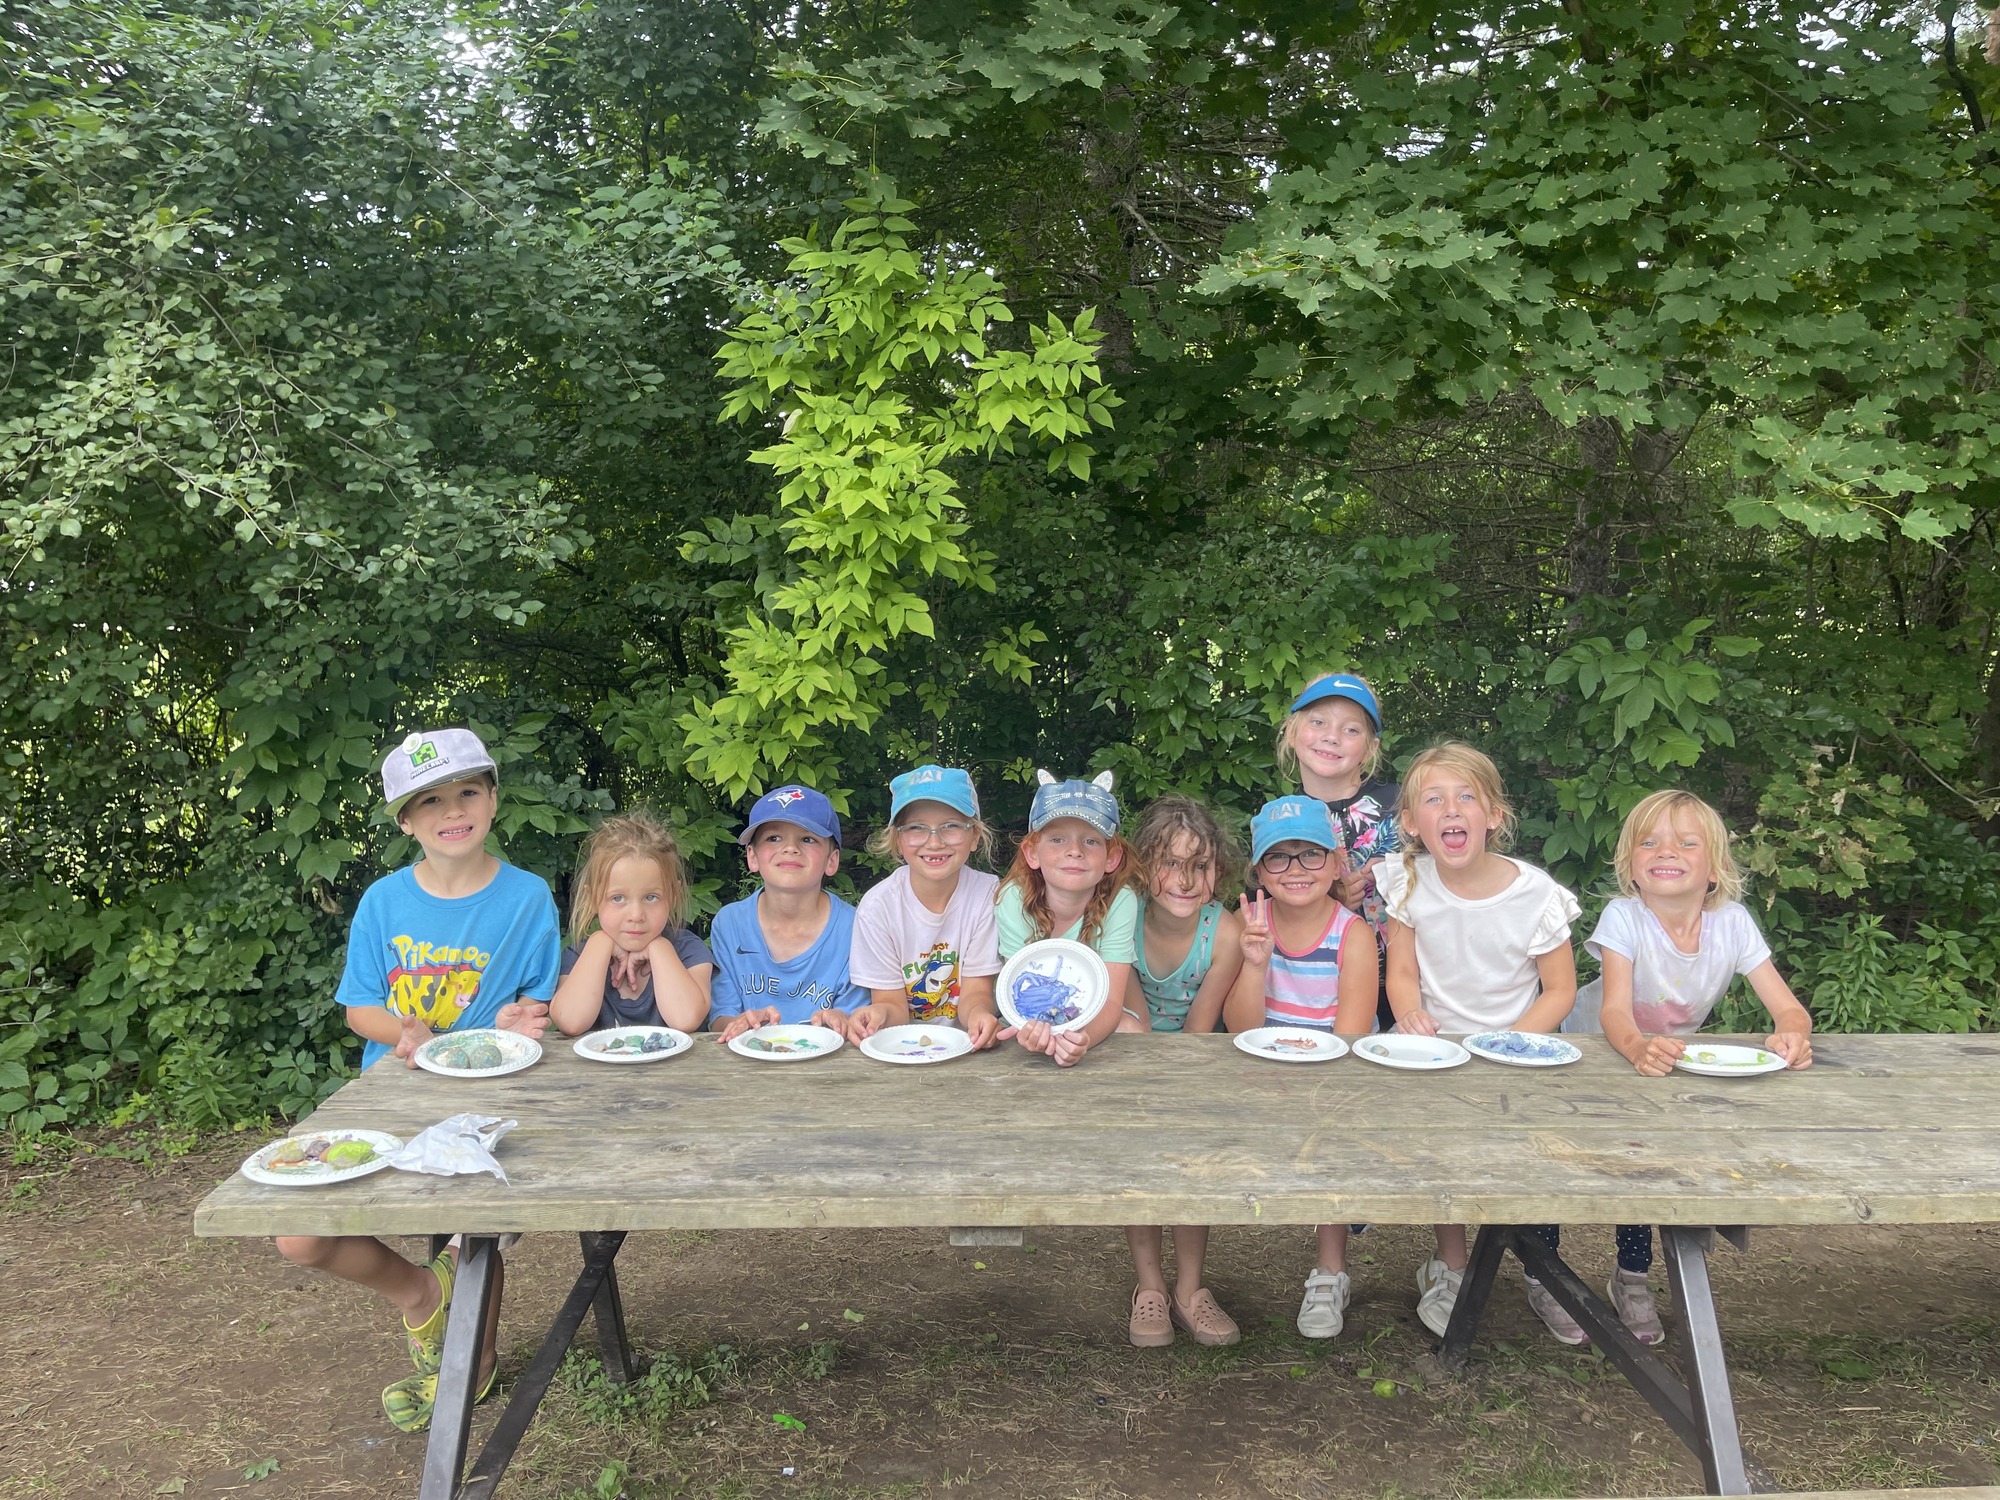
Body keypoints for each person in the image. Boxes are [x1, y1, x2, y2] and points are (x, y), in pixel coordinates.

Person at [276, 728, 557, 1433]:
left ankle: (474, 1366)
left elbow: (542, 1005)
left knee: (480, 1221)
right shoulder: (382, 901)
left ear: (493, 800)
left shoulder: (527, 898)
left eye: (467, 792)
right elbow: (358, 1008)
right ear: (405, 820)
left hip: (496, 1097)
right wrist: (403, 1031)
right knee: (298, 1237)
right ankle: (417, 1294)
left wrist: (525, 1017)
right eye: (429, 801)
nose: (451, 810)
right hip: (393, 1094)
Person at [1565, 789, 1814, 1344]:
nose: (1665, 850)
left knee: (1643, 1163)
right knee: (1558, 1155)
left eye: (1686, 841)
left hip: (1664, 1061)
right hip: (1593, 1050)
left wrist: (1794, 1035)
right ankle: (1542, 1268)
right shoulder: (1623, 916)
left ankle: (1632, 1276)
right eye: (1648, 841)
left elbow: (1787, 1006)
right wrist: (1634, 1047)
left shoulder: (1733, 923)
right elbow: (1613, 1009)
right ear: (1631, 866)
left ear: (1715, 869)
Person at [1375, 742, 1581, 1345]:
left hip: (1517, 1047)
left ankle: (1547, 1274)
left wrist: (1509, 1043)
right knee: (1440, 1151)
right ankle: (1453, 1266)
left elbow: (1560, 990)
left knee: (1535, 1159)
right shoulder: (1408, 881)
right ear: (1412, 822)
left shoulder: (1535, 894)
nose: (1451, 809)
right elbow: (1403, 973)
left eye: (1466, 797)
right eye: (1433, 800)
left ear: (1494, 814)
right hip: (1437, 1047)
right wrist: (1409, 1012)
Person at [1223, 795, 1378, 1341]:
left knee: (1328, 1135)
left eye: (1310, 855)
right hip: (1266, 1064)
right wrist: (1256, 961)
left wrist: (1305, 1081)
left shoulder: (1352, 933)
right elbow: (1241, 1025)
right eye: (1279, 858)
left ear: (1336, 864)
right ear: (1260, 870)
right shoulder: (1249, 925)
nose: (1296, 870)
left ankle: (1330, 1271)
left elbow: (1353, 1034)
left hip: (1336, 1071)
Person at [1118, 794, 1248, 1348]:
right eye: (1171, 863)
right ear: (1146, 864)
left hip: (1197, 1062)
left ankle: (1191, 1289)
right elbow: (1134, 1021)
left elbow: (1202, 1026)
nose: (1186, 879)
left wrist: (1180, 1092)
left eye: (1200, 866)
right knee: (1140, 1168)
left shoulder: (1225, 933)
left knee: (1194, 1168)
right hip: (1131, 1055)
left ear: (1218, 869)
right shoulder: (1120, 916)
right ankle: (1148, 1285)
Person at [846, 765, 1006, 1046]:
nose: (934, 842)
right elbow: (891, 1005)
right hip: (902, 1048)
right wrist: (878, 1014)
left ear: (974, 838)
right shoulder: (877, 907)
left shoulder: (989, 895)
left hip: (966, 1046)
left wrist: (981, 1016)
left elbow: (976, 991)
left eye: (951, 826)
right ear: (898, 841)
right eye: (917, 828)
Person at [1277, 671, 1399, 1029]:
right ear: (1293, 730)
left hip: (1410, 985)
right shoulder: (1282, 819)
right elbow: (1265, 909)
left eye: (1351, 729)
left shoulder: (1403, 804)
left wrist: (1398, 870)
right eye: (1318, 722)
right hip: (1316, 991)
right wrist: (1328, 902)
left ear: (1371, 747)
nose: (1332, 737)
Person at [995, 770, 1142, 1066]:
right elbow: (1014, 992)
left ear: (1111, 857)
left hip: (1095, 1015)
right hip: (1029, 1018)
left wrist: (1082, 1040)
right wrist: (1033, 1031)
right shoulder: (1013, 898)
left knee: (1133, 1029)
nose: (1074, 851)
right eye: (1058, 839)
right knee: (1005, 1044)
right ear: (1031, 853)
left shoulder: (1121, 901)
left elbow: (1113, 1002)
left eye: (1090, 841)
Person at [708, 785, 870, 1041]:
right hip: (749, 1065)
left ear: (832, 860)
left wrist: (841, 1020)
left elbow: (857, 1019)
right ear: (752, 857)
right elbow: (720, 1018)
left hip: (829, 1067)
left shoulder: (855, 926)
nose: (790, 848)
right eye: (773, 838)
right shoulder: (729, 923)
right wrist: (740, 1024)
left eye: (807, 839)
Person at [550, 812, 712, 1036]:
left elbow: (686, 1019)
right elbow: (570, 1021)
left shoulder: (688, 950)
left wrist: (659, 947)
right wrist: (599, 943)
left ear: (672, 896)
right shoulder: (579, 953)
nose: (636, 915)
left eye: (651, 897)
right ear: (593, 898)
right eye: (617, 898)